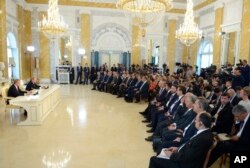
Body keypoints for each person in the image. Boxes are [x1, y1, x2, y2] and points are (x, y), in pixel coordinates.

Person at [148, 112, 213, 168]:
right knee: (161, 152)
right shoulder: (204, 133)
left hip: (184, 165)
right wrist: (177, 148)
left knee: (154, 160)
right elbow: (190, 147)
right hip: (183, 157)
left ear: (201, 123)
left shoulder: (202, 139)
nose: (195, 121)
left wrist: (171, 155)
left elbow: (186, 158)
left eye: (196, 120)